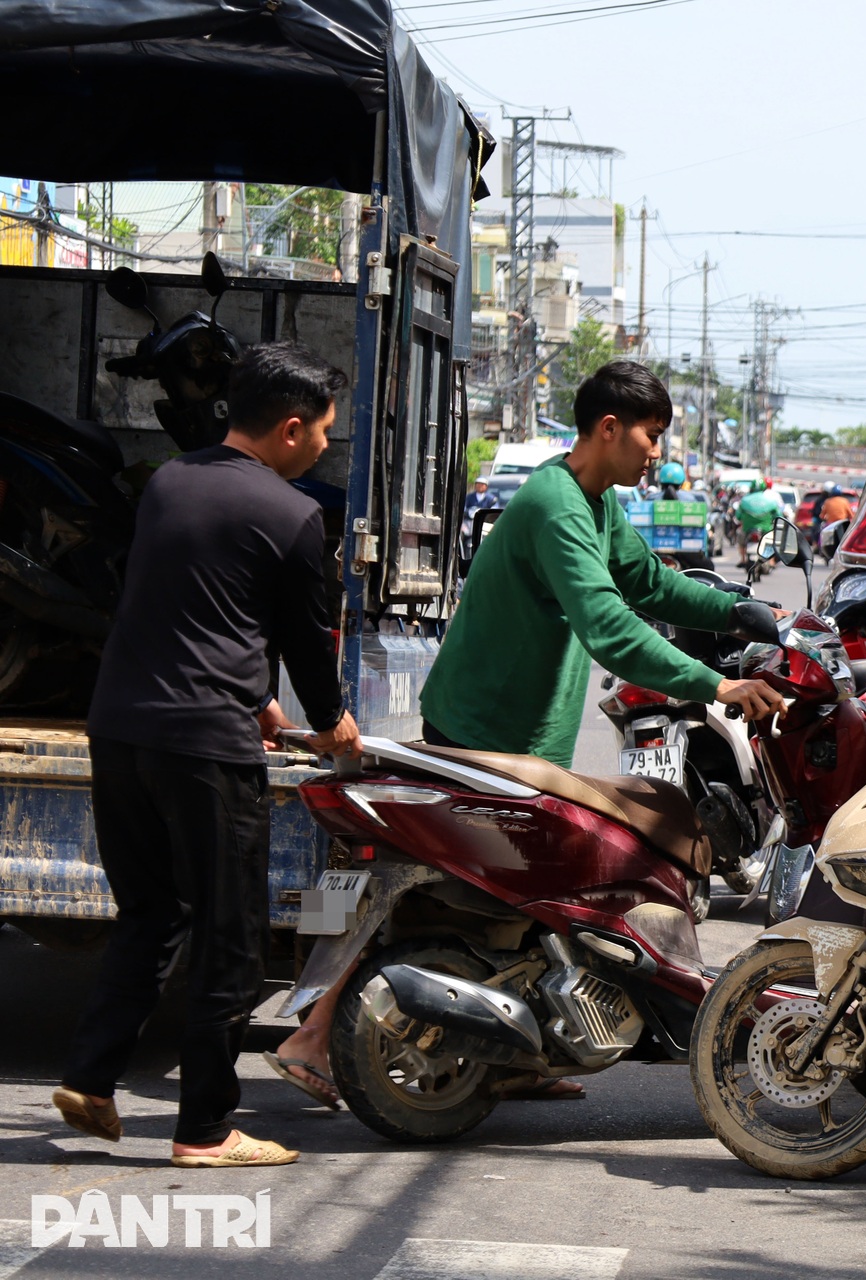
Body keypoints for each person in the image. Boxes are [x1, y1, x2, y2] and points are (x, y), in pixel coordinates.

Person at [266, 362, 783, 1098]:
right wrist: (718, 685)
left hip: (527, 737)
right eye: (651, 435)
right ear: (609, 428)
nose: (657, 453)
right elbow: (609, 625)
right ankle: (314, 1035)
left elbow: (647, 582)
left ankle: (512, 1056)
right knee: (438, 889)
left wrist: (736, 611)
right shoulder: (557, 505)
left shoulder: (596, 502)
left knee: (521, 898)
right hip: (479, 730)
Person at [54, 342, 361, 1169]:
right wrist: (331, 722)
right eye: (323, 431)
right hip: (205, 749)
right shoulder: (293, 516)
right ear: (290, 428)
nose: (325, 445)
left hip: (121, 729)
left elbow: (182, 606)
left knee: (151, 914)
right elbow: (306, 645)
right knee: (230, 936)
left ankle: (89, 1079)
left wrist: (256, 699)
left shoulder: (169, 482)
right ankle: (204, 1129)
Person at [734, 478, 783, 566]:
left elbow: (738, 516)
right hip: (766, 529)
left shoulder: (744, 500)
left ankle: (743, 559)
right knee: (772, 540)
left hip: (747, 528)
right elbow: (778, 516)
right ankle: (771, 561)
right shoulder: (770, 500)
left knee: (741, 539)